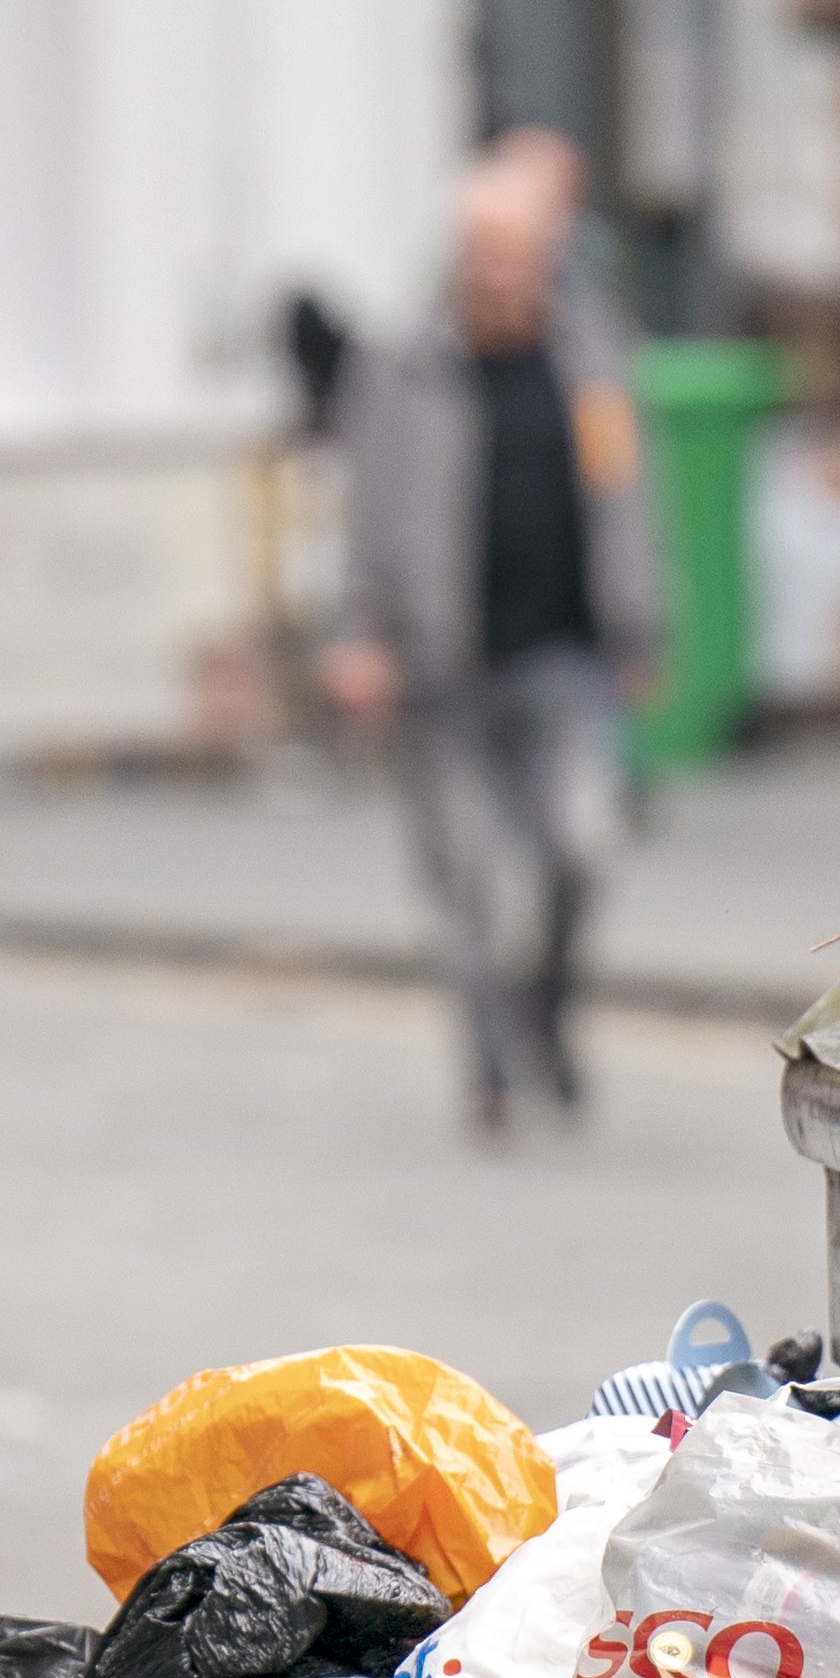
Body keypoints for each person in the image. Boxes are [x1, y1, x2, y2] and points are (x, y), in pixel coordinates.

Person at [326, 149, 661, 1133]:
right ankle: (486, 1064)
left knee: (582, 845)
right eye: (481, 252)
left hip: (563, 658)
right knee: (469, 877)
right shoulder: (400, 367)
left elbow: (630, 502)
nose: (497, 272)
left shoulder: (594, 358)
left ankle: (544, 1012)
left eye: (516, 252)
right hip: (440, 668)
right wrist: (357, 635)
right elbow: (364, 515)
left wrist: (642, 625)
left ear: (547, 258)